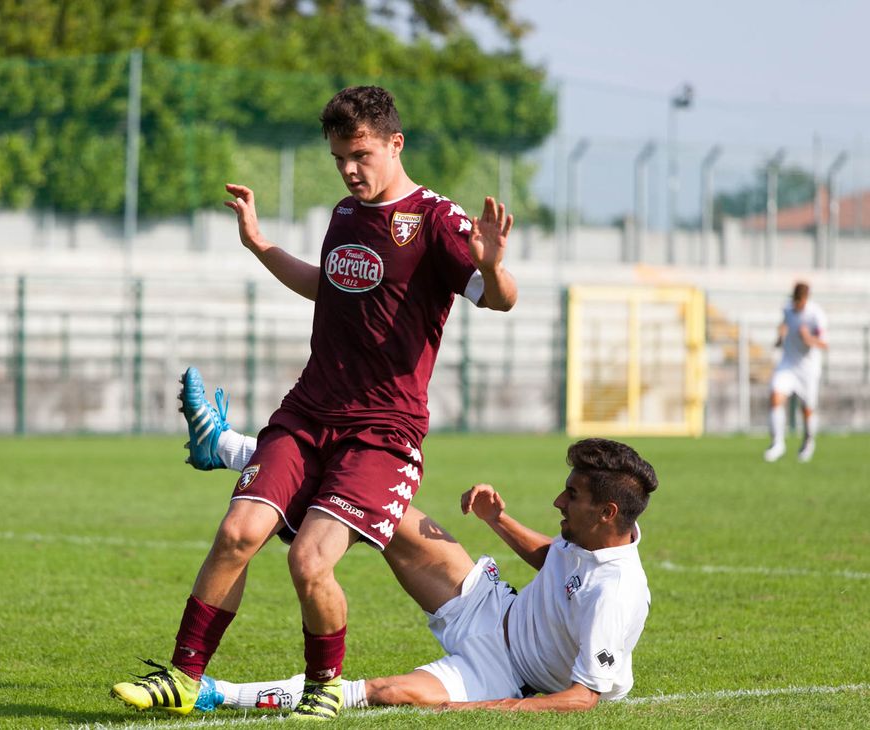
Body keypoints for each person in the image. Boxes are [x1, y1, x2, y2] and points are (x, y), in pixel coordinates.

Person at [110, 85, 518, 719]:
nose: (350, 170)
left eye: (360, 154)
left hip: (382, 433)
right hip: (307, 413)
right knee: (237, 532)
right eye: (338, 159)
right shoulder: (345, 215)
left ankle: (322, 685)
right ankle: (185, 675)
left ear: (394, 143)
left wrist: (491, 268)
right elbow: (325, 287)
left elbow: (501, 298)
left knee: (310, 559)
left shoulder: (437, 219)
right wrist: (259, 244)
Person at [173, 408, 658, 715]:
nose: (558, 501)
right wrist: (499, 520)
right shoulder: (594, 535)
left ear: (606, 512)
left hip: (507, 675)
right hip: (489, 608)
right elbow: (558, 560)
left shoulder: (615, 594)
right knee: (384, 509)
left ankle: (218, 693)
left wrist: (492, 706)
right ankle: (228, 448)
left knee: (383, 692)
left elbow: (582, 698)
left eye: (571, 495)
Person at [763, 281, 828, 463]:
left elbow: (824, 343)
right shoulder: (788, 310)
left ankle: (808, 441)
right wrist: (779, 337)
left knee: (806, 409)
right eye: (795, 300)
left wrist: (809, 338)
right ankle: (777, 442)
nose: (796, 305)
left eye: (799, 301)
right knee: (775, 396)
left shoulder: (816, 315)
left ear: (806, 299)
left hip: (808, 368)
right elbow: (784, 324)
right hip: (788, 363)